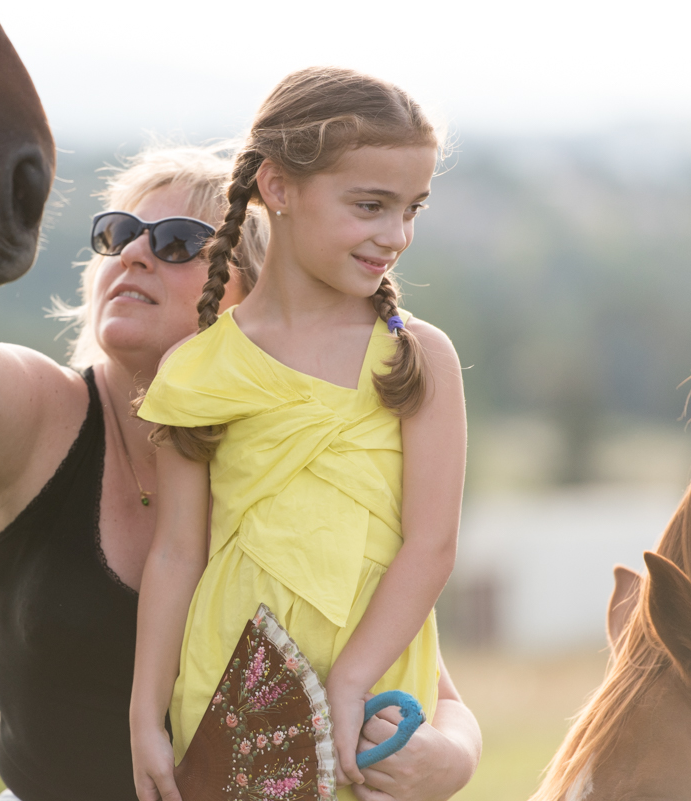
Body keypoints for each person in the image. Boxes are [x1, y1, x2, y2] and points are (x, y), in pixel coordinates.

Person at [0, 142, 480, 801]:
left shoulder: (307, 451)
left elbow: (432, 683)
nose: (133, 253)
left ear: (252, 290)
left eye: (178, 242)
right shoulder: (45, 415)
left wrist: (455, 758)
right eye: (118, 233)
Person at [131, 69, 467, 801]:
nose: (396, 235)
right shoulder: (194, 370)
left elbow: (431, 544)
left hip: (377, 700)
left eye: (412, 209)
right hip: (234, 693)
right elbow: (178, 552)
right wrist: (144, 716)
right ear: (278, 188)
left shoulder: (419, 359)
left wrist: (350, 678)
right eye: (372, 206)